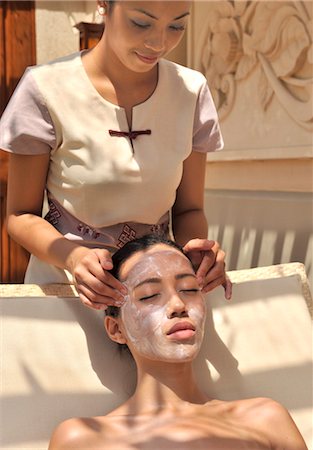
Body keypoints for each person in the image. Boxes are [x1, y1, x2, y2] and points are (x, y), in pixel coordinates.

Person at [0, 1, 231, 310]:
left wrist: (196, 253)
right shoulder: (45, 89)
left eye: (176, 26)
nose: (159, 43)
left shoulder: (191, 90)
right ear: (102, 4)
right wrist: (74, 257)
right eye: (141, 22)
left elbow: (188, 210)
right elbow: (19, 216)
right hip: (66, 294)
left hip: (155, 300)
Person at [48, 234, 308, 450]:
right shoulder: (83, 439)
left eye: (189, 289)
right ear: (116, 329)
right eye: (149, 296)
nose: (177, 305)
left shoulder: (265, 420)